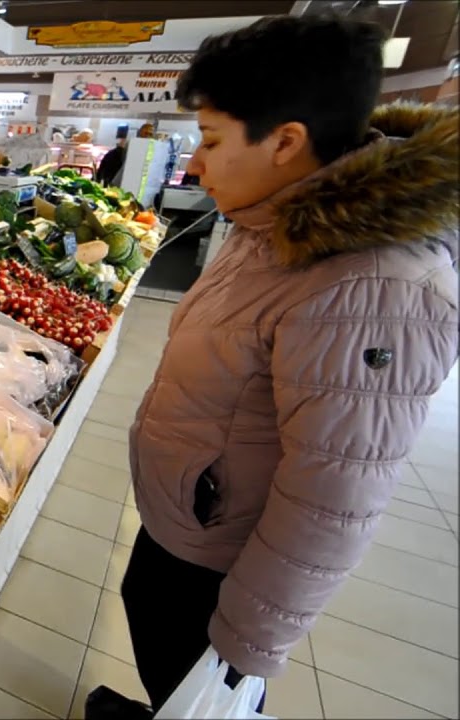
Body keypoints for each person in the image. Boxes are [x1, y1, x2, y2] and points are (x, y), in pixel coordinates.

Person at [106, 14, 458, 717]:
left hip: (223, 560)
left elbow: (335, 494)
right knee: (154, 635)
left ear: (286, 142)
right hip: (189, 520)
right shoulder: (271, 219)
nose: (195, 163)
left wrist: (247, 643)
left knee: (195, 679)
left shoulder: (372, 283)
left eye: (209, 140)